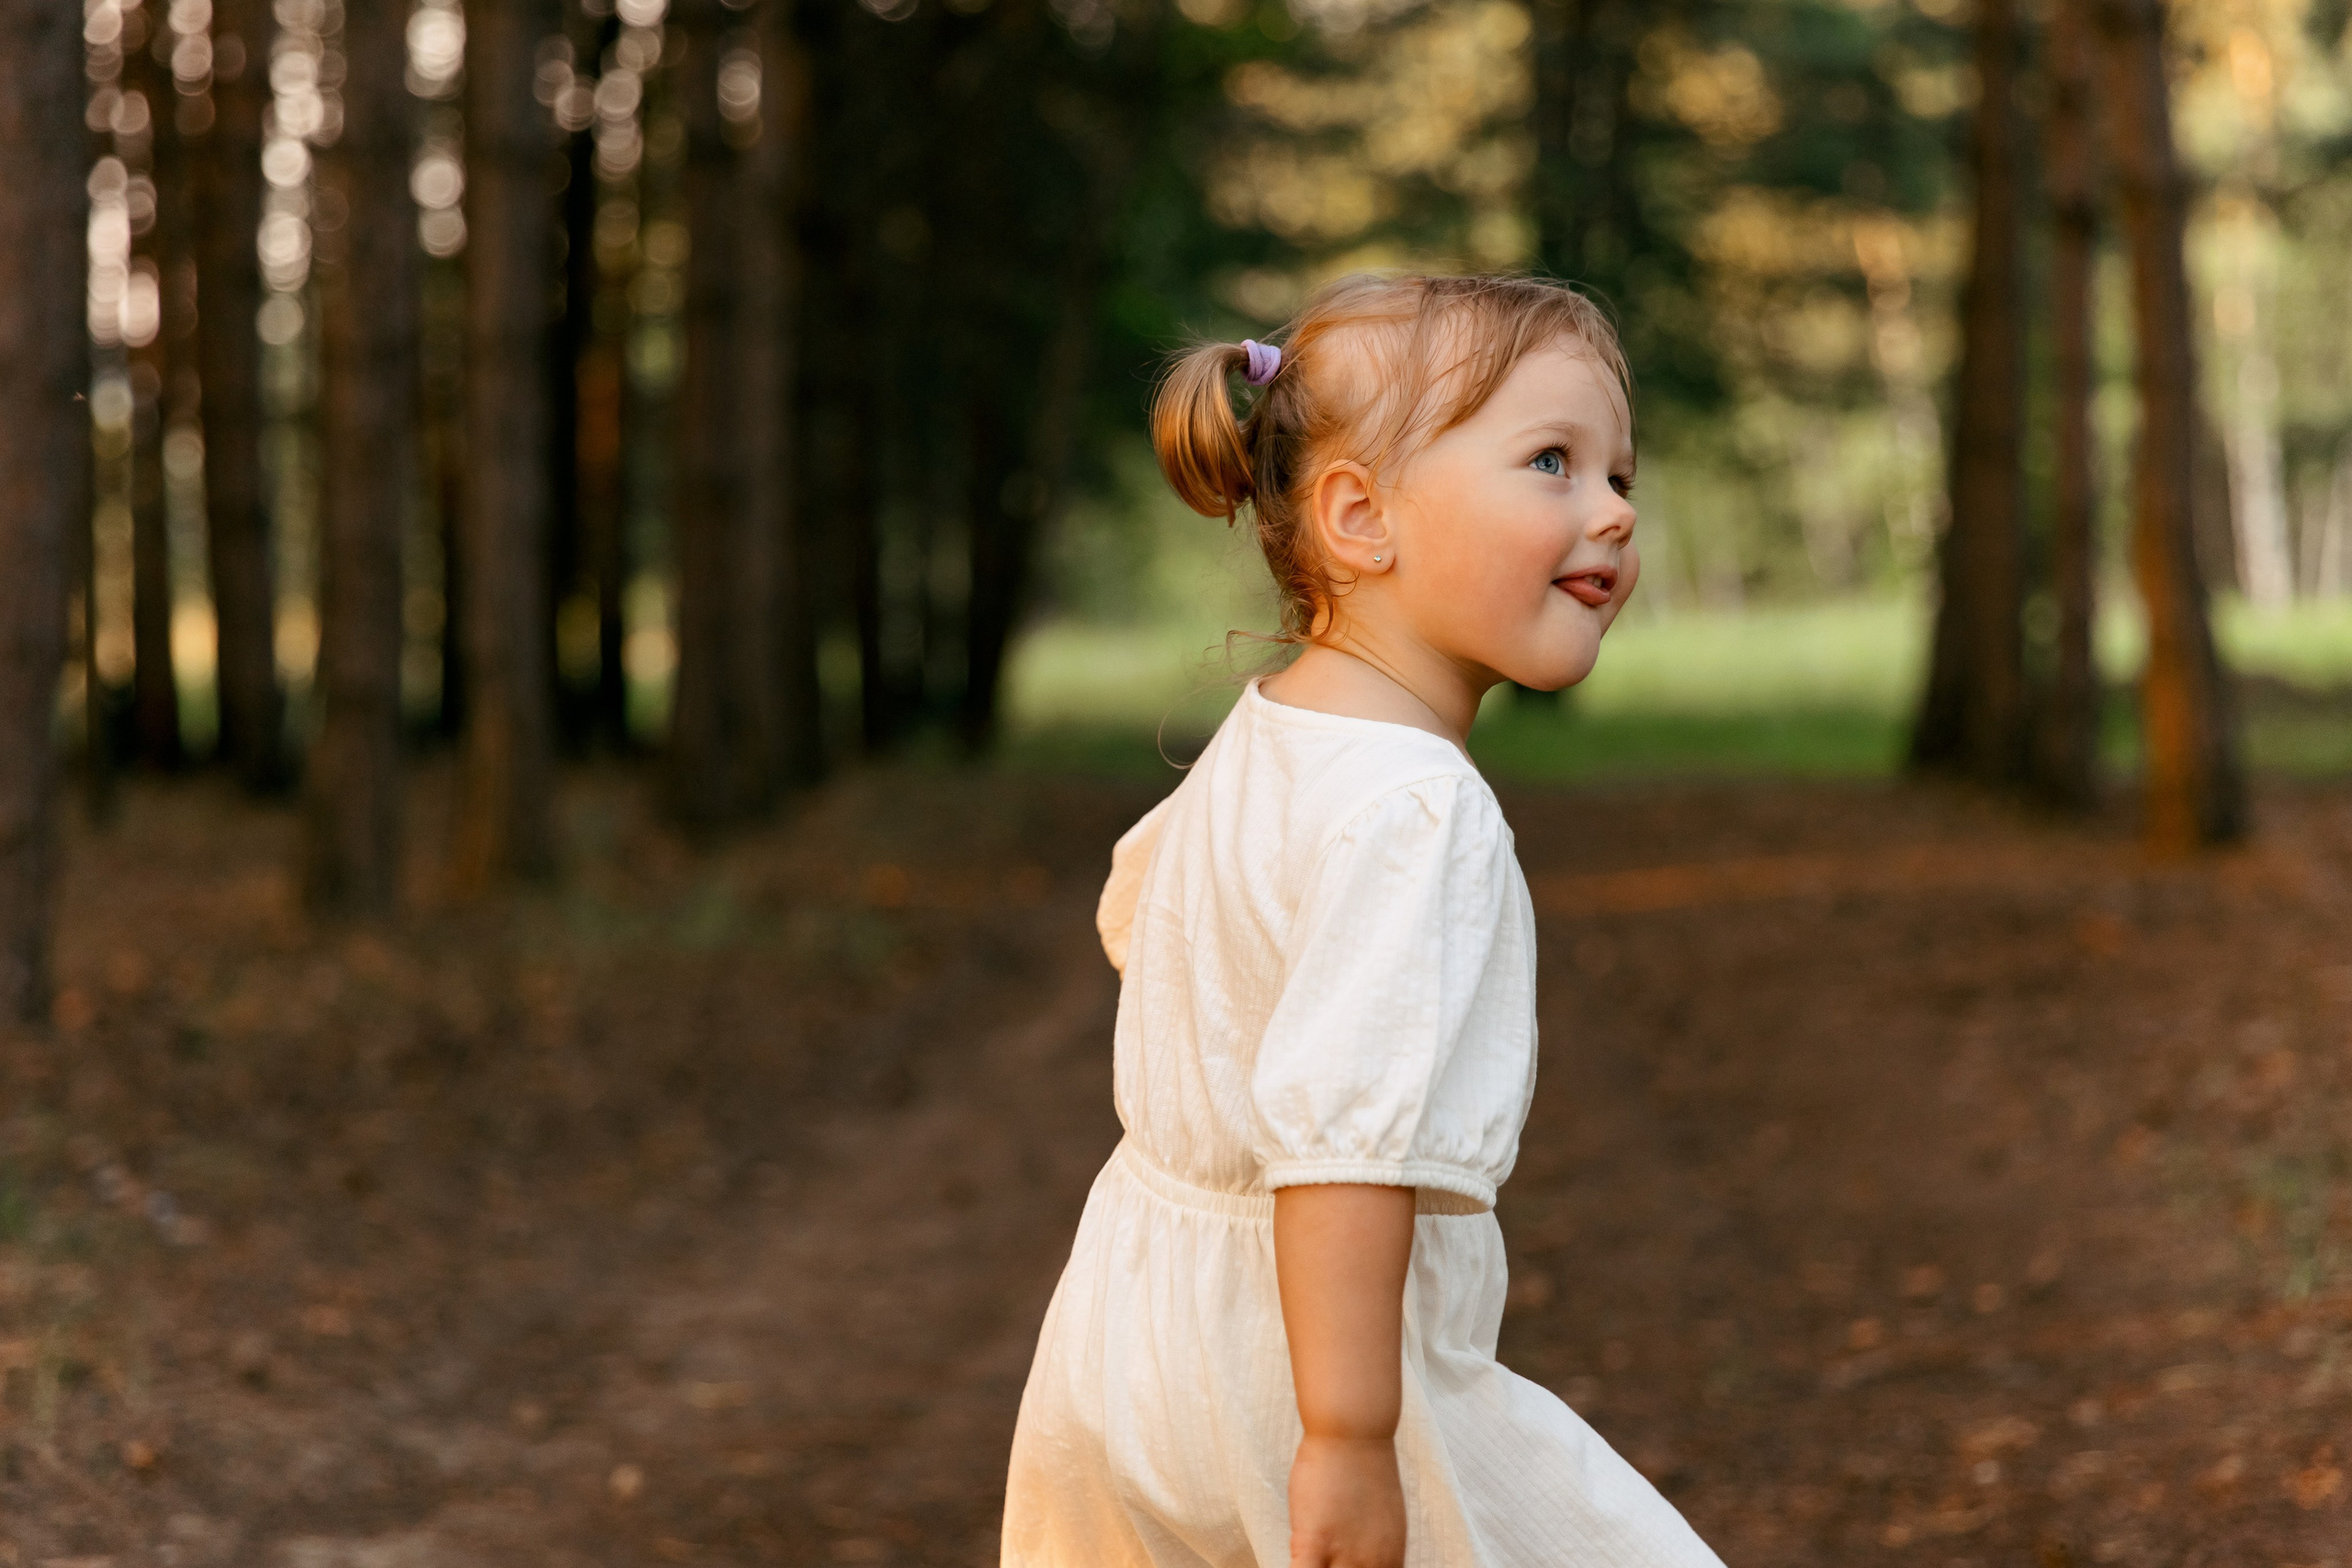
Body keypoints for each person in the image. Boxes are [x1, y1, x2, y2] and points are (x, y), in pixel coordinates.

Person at [1001, 274, 1726, 1568]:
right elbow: (1342, 1145)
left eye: (1620, 472)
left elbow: (1147, 919)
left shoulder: (1268, 737)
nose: (1615, 509)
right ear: (1360, 517)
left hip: (1125, 1342)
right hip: (1305, 1377)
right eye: (1551, 463)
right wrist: (1345, 1435)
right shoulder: (1416, 808)